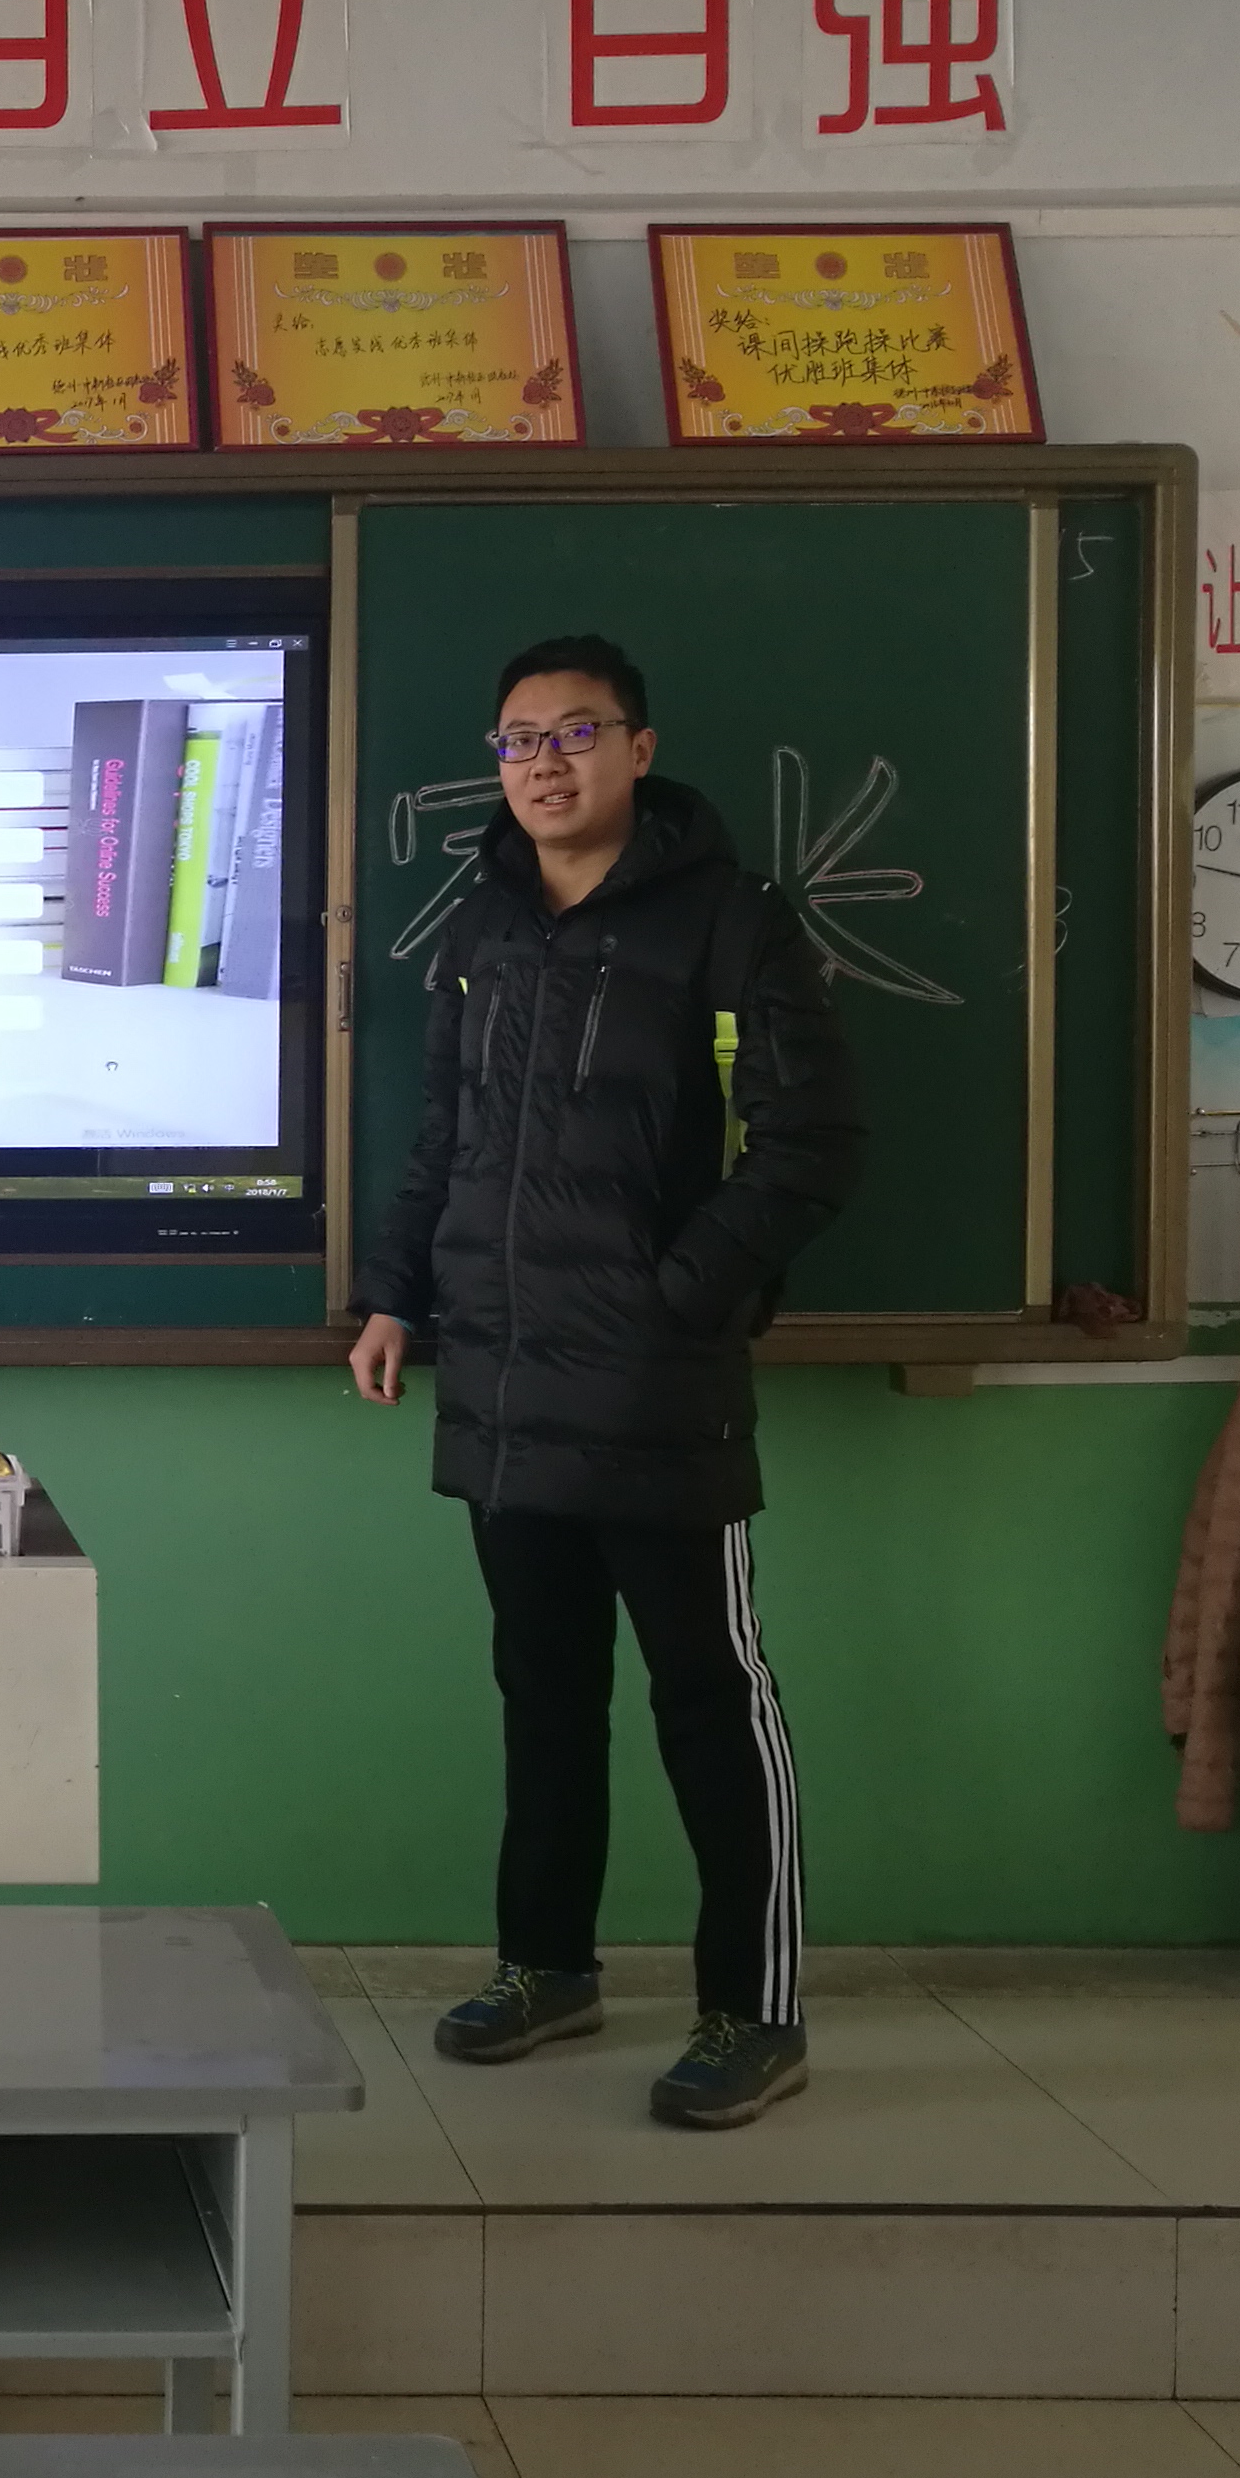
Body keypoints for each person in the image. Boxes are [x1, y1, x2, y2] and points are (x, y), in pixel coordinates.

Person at [347, 634, 864, 2129]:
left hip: (657, 1390)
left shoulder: (729, 924)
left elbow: (816, 1143)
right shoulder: (481, 927)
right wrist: (394, 1293)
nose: (545, 763)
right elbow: (443, 1133)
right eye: (518, 741)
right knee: (545, 1690)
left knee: (712, 1698)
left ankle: (753, 2011)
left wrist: (677, 1294)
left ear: (639, 749)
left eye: (576, 733)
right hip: (504, 1381)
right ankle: (546, 1965)